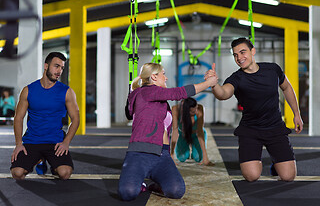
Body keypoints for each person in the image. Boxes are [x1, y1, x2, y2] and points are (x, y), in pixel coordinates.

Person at [205, 37, 303, 182]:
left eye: (243, 52)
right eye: (235, 55)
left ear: (253, 51)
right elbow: (223, 94)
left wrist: (297, 114)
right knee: (252, 176)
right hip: (250, 130)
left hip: (275, 128)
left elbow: (287, 87)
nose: (239, 57)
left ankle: (276, 164)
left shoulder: (273, 69)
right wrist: (213, 84)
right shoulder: (236, 78)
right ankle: (258, 161)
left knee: (288, 177)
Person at [118, 62, 217, 201]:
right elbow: (179, 93)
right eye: (163, 74)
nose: (166, 78)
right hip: (139, 154)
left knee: (176, 191)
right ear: (153, 77)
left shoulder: (159, 99)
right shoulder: (145, 92)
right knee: (127, 193)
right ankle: (139, 182)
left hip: (162, 155)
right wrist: (208, 83)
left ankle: (155, 184)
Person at [10, 52, 80, 180]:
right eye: (56, 66)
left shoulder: (67, 92)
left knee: (65, 173)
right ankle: (41, 159)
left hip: (55, 141)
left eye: (62, 68)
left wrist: (66, 142)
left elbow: (75, 119)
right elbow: (18, 118)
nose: (59, 71)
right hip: (32, 140)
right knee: (17, 173)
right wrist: (19, 143)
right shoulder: (28, 90)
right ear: (46, 66)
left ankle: (52, 163)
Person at [171, 97, 214, 166]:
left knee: (198, 158)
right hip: (183, 134)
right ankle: (187, 151)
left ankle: (194, 151)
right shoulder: (176, 110)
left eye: (196, 108)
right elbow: (175, 132)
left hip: (196, 135)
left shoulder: (199, 109)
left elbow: (200, 132)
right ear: (186, 111)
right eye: (193, 112)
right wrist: (171, 155)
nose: (196, 111)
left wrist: (205, 157)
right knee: (182, 158)